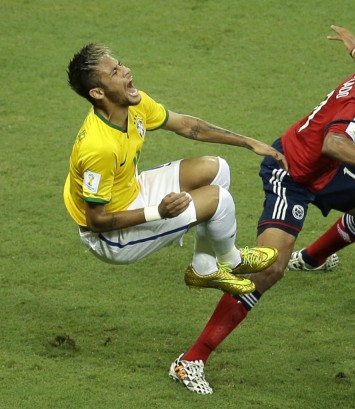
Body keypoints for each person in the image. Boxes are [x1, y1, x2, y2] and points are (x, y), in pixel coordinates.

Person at [166, 25, 355, 395]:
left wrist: (353, 45)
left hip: (331, 171)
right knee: (269, 269)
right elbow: (334, 143)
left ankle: (314, 258)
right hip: (293, 173)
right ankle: (191, 360)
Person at [63, 44, 288, 394]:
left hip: (129, 193)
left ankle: (203, 266)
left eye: (121, 64)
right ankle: (232, 260)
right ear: (98, 92)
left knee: (217, 169)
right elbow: (97, 220)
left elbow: (190, 128)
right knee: (218, 199)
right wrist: (158, 212)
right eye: (115, 72)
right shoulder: (98, 147)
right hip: (111, 237)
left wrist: (248, 142)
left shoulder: (132, 106)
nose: (126, 71)